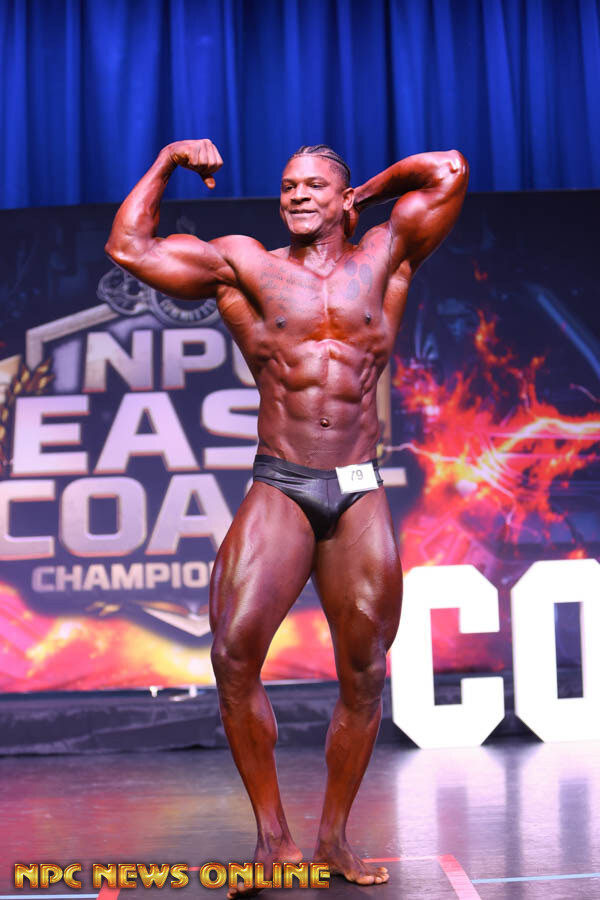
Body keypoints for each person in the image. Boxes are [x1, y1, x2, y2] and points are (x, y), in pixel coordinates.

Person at [105, 139, 468, 896]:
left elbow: (449, 169)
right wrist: (168, 160)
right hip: (283, 481)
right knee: (233, 655)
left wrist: (367, 191)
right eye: (287, 186)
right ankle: (273, 839)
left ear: (342, 199)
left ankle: (333, 838)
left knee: (366, 673)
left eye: (313, 186)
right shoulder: (247, 265)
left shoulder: (385, 256)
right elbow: (129, 248)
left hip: (358, 487)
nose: (297, 195)